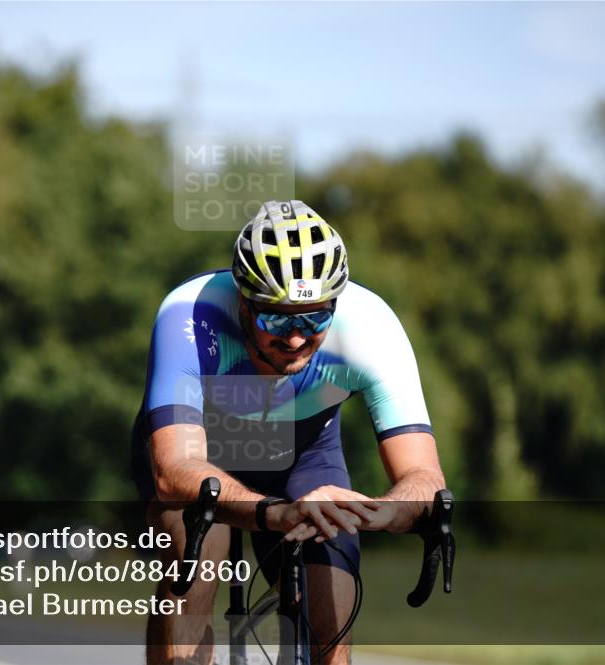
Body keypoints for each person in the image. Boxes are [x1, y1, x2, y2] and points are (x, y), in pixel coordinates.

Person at [130, 200, 447, 665]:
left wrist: (375, 513)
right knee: (198, 553)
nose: (295, 337)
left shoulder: (372, 327)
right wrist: (273, 514)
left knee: (332, 602)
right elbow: (173, 469)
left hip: (302, 452)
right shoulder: (190, 314)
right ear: (242, 300)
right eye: (276, 318)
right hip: (199, 457)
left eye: (314, 317)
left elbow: (425, 478)